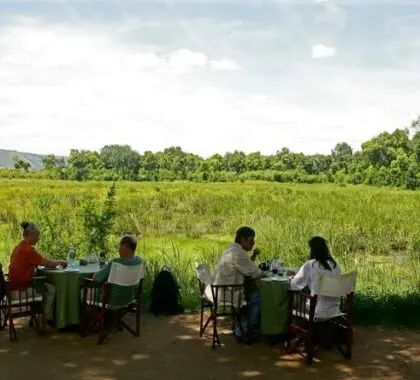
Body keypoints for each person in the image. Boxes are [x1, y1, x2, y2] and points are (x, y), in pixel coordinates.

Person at [207, 226, 266, 341]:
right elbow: (256, 273)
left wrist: (253, 255)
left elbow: (245, 266)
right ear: (243, 240)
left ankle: (238, 324)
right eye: (251, 240)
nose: (253, 243)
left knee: (251, 293)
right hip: (227, 292)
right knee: (258, 297)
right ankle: (243, 330)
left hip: (219, 289)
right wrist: (268, 273)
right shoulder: (239, 253)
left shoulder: (231, 249)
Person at [8, 222, 67, 321]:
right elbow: (47, 263)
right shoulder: (27, 250)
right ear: (31, 235)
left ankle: (40, 315)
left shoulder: (18, 247)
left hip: (11, 286)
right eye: (37, 236)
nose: (38, 238)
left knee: (44, 285)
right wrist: (63, 262)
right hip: (20, 289)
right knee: (52, 289)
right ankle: (47, 318)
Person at [290, 236, 341, 319]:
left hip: (316, 310)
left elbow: (294, 284)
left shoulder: (311, 264)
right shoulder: (334, 265)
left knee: (295, 296)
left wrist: (291, 280)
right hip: (335, 309)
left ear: (312, 250)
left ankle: (297, 325)